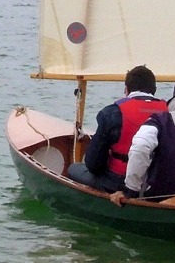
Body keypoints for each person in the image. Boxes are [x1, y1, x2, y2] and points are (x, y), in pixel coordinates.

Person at [67, 65, 167, 193]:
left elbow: (93, 164)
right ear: (154, 90)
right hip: (156, 183)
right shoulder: (169, 113)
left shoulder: (112, 113)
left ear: (126, 89)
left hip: (117, 183)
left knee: (74, 168)